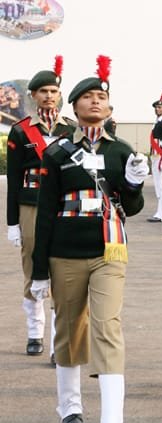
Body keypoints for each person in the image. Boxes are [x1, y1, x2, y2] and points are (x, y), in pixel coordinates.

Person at [31, 55, 148, 423]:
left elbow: (131, 208)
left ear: (110, 107)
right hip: (65, 251)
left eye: (102, 97)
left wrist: (133, 185)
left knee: (107, 328)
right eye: (88, 96)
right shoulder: (57, 153)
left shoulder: (121, 151)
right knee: (68, 328)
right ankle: (70, 407)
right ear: (75, 105)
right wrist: (39, 270)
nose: (96, 101)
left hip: (108, 251)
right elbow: (45, 213)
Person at [6, 55, 74, 360]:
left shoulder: (71, 129)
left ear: (60, 95)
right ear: (33, 95)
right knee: (33, 266)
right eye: (43, 91)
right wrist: (12, 222)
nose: (49, 96)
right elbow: (14, 179)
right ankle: (35, 332)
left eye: (53, 91)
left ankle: (58, 343)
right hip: (31, 205)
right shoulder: (20, 131)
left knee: (62, 270)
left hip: (62, 205)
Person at [148, 90, 162, 222]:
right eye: (156, 107)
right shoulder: (157, 122)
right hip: (156, 156)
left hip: (161, 157)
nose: (157, 109)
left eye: (160, 107)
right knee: (158, 186)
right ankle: (160, 211)